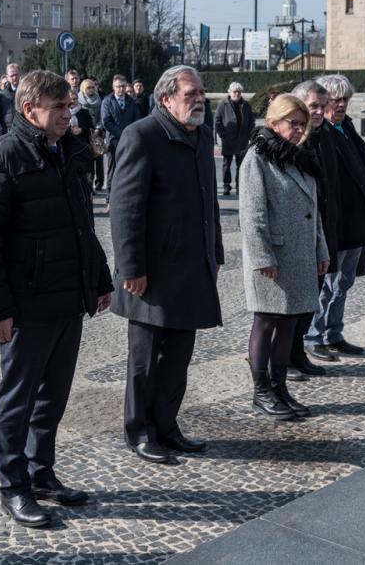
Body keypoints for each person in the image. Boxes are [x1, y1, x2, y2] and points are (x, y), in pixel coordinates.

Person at [0, 69, 113, 529]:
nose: (69, 114)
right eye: (60, 107)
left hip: (68, 298)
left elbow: (82, 225)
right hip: (26, 306)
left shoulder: (67, 151)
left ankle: (40, 471)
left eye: (70, 106)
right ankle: (13, 485)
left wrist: (99, 279)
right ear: (30, 110)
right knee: (18, 399)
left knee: (53, 396)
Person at [109, 65, 223, 465]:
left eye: (202, 92)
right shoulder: (141, 135)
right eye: (191, 94)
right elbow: (125, 209)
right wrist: (131, 268)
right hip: (151, 274)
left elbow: (209, 201)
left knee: (178, 358)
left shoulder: (202, 134)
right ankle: (139, 431)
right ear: (166, 99)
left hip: (191, 267)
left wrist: (215, 252)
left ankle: (167, 426)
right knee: (145, 361)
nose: (200, 99)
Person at [240, 94, 328, 420]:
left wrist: (321, 249)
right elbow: (252, 214)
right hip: (273, 258)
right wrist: (263, 257)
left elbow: (313, 211)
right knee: (266, 321)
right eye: (294, 123)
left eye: (303, 125)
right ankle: (261, 391)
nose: (299, 130)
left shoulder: (298, 158)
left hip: (299, 254)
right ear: (274, 122)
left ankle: (279, 387)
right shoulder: (257, 158)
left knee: (289, 322)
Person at [307, 75, 365, 360]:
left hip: (356, 222)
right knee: (326, 284)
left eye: (345, 99)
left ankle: (333, 332)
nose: (341, 105)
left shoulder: (345, 127)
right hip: (336, 224)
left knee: (344, 282)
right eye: (335, 100)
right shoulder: (320, 133)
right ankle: (313, 336)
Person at [284, 80, 340, 380]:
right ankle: (281, 359)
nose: (319, 111)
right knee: (291, 306)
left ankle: (297, 354)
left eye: (322, 105)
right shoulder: (293, 140)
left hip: (320, 231)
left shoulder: (324, 135)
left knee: (310, 300)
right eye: (313, 106)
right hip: (296, 235)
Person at [100, 74, 143, 190]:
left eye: (123, 86)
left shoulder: (132, 102)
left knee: (128, 167)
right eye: (118, 86)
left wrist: (130, 134)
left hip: (129, 140)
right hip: (113, 140)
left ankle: (125, 193)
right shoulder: (107, 101)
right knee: (112, 169)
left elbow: (137, 119)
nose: (121, 89)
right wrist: (122, 133)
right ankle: (110, 196)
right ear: (113, 87)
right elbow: (106, 122)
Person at [214, 82, 255, 197]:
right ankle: (226, 186)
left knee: (241, 165)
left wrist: (249, 135)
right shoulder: (223, 104)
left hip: (242, 140)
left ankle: (240, 186)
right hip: (228, 139)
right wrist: (223, 134)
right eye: (235, 91)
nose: (237, 94)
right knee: (226, 164)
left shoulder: (246, 105)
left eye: (239, 92)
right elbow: (217, 121)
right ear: (230, 92)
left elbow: (251, 121)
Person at [76, 79, 106, 191]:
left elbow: (102, 116)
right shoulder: (78, 99)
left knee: (99, 157)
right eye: (88, 87)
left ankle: (99, 182)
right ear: (83, 88)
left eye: (93, 87)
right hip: (84, 134)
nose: (91, 89)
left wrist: (98, 128)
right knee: (88, 162)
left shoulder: (99, 99)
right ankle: (88, 184)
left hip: (97, 133)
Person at [0, 63, 21, 136]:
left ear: (20, 74)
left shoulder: (26, 92)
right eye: (12, 75)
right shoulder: (2, 96)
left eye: (16, 74)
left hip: (23, 132)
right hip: (8, 133)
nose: (14, 77)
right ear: (8, 77)